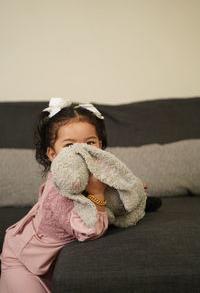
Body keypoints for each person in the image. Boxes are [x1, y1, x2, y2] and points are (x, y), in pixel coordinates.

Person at [0, 98, 161, 293]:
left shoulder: (94, 172)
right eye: (69, 145)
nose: (81, 151)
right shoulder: (61, 189)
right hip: (24, 260)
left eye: (90, 142)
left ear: (100, 146)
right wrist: (98, 193)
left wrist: (127, 191)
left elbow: (113, 184)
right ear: (52, 154)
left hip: (50, 258)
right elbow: (89, 230)